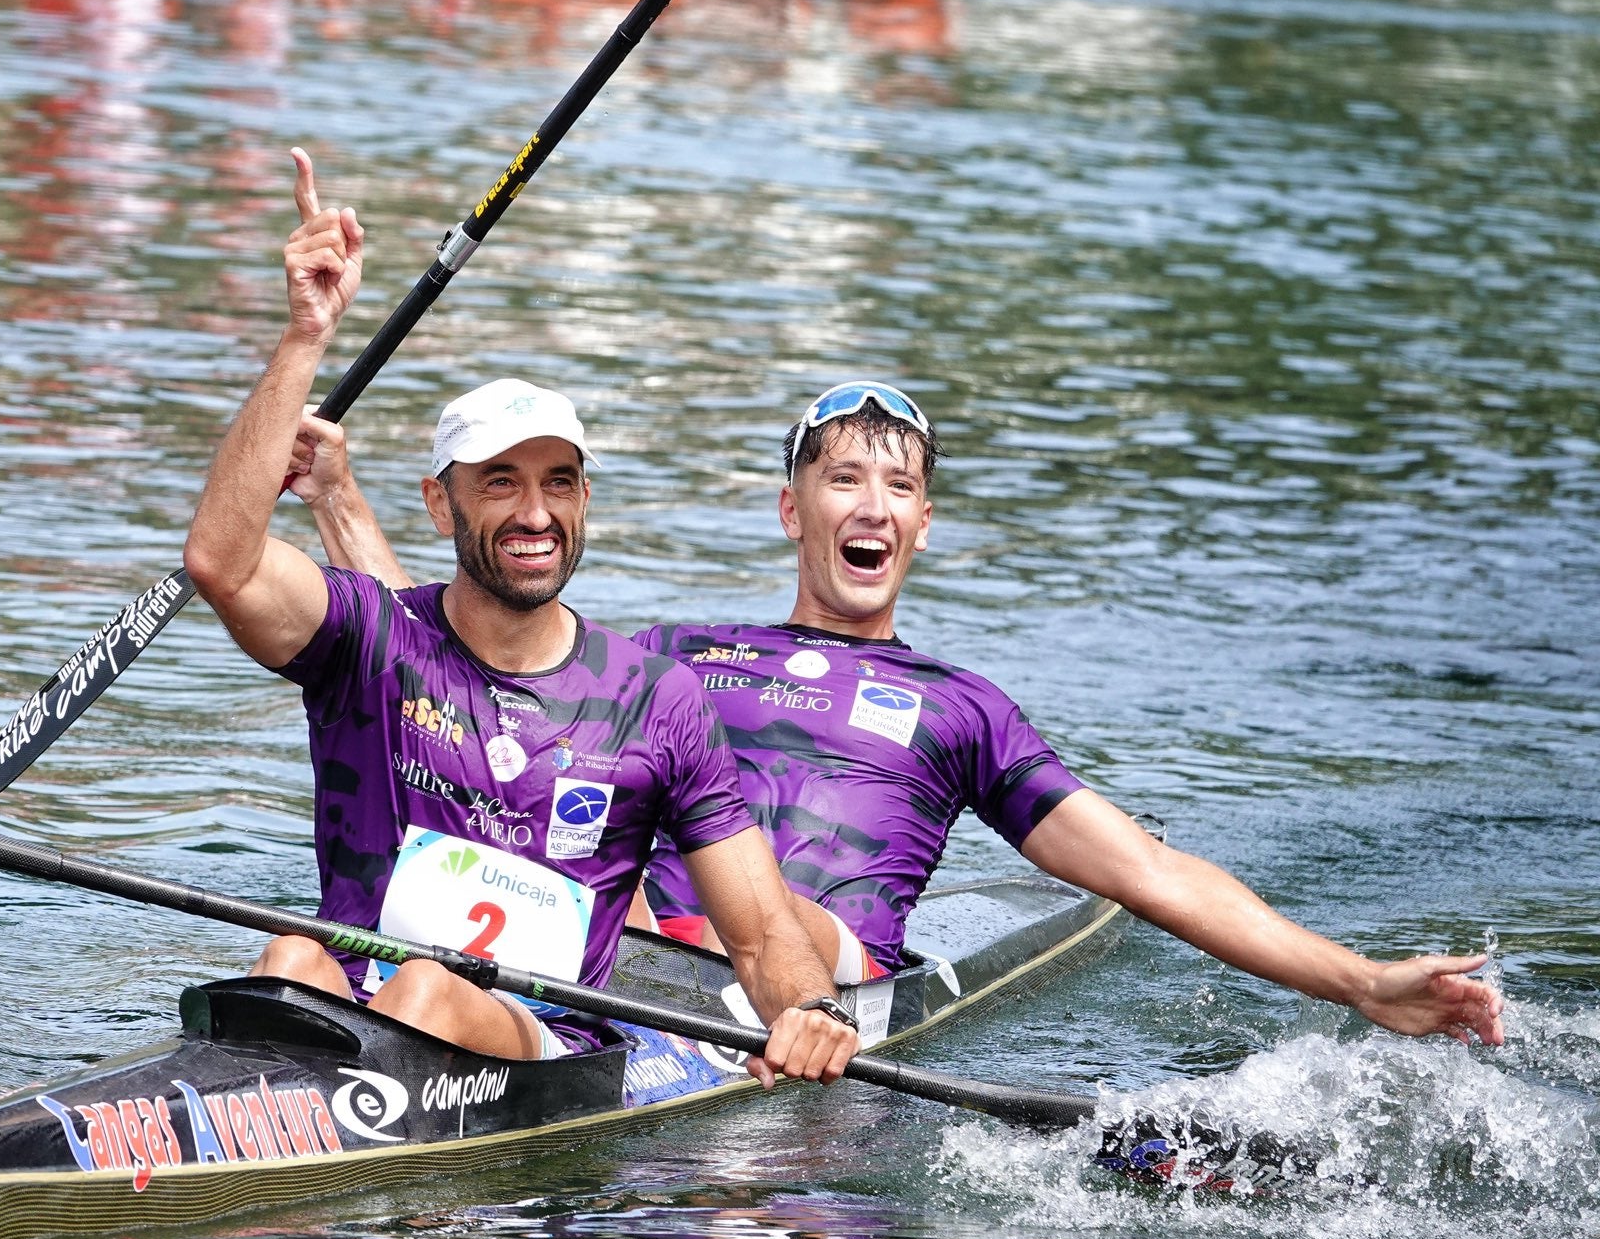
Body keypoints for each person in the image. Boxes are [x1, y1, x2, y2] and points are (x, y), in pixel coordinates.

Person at [288, 375, 1506, 1046]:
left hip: (808, 974)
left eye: (899, 484)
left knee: (792, 922)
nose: (871, 501)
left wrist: (1355, 981)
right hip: (612, 966)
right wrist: (336, 495)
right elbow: (438, 650)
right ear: (790, 510)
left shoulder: (959, 710)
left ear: (920, 525)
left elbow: (1146, 870)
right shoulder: (665, 657)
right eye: (843, 476)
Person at [181, 147, 862, 1084]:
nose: (535, 513)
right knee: (293, 958)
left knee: (423, 988)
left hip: (544, 1051)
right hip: (355, 1007)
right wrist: (304, 338)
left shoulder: (654, 700)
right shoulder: (370, 636)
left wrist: (813, 1010)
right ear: (439, 503)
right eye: (500, 483)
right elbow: (222, 562)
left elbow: (761, 935)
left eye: (558, 483)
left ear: (584, 501)